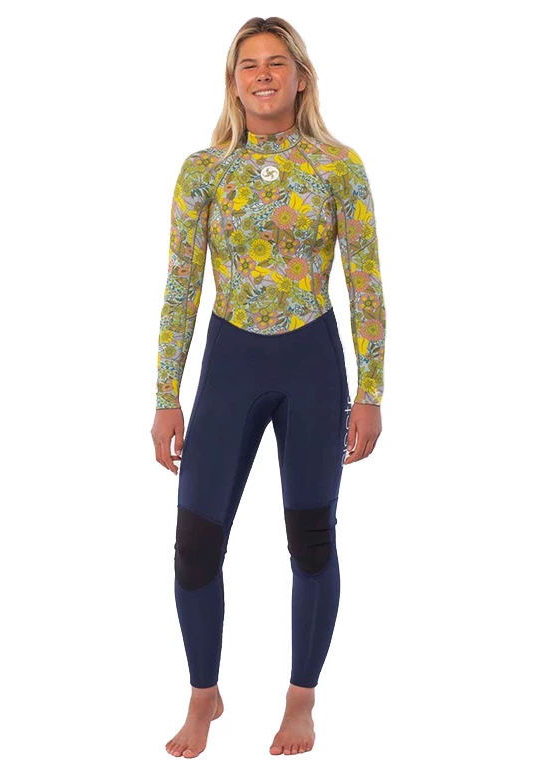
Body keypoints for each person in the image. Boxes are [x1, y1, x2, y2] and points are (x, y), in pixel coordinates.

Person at [151, 16, 386, 758]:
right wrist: (165, 396)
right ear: (233, 82)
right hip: (231, 363)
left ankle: (300, 698)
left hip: (311, 362)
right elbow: (181, 287)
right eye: (248, 64)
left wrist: (372, 389)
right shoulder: (204, 170)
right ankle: (204, 693)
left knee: (311, 542)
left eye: (276, 62)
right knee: (195, 545)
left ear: (300, 78)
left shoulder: (337, 166)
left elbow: (365, 283)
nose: (262, 74)